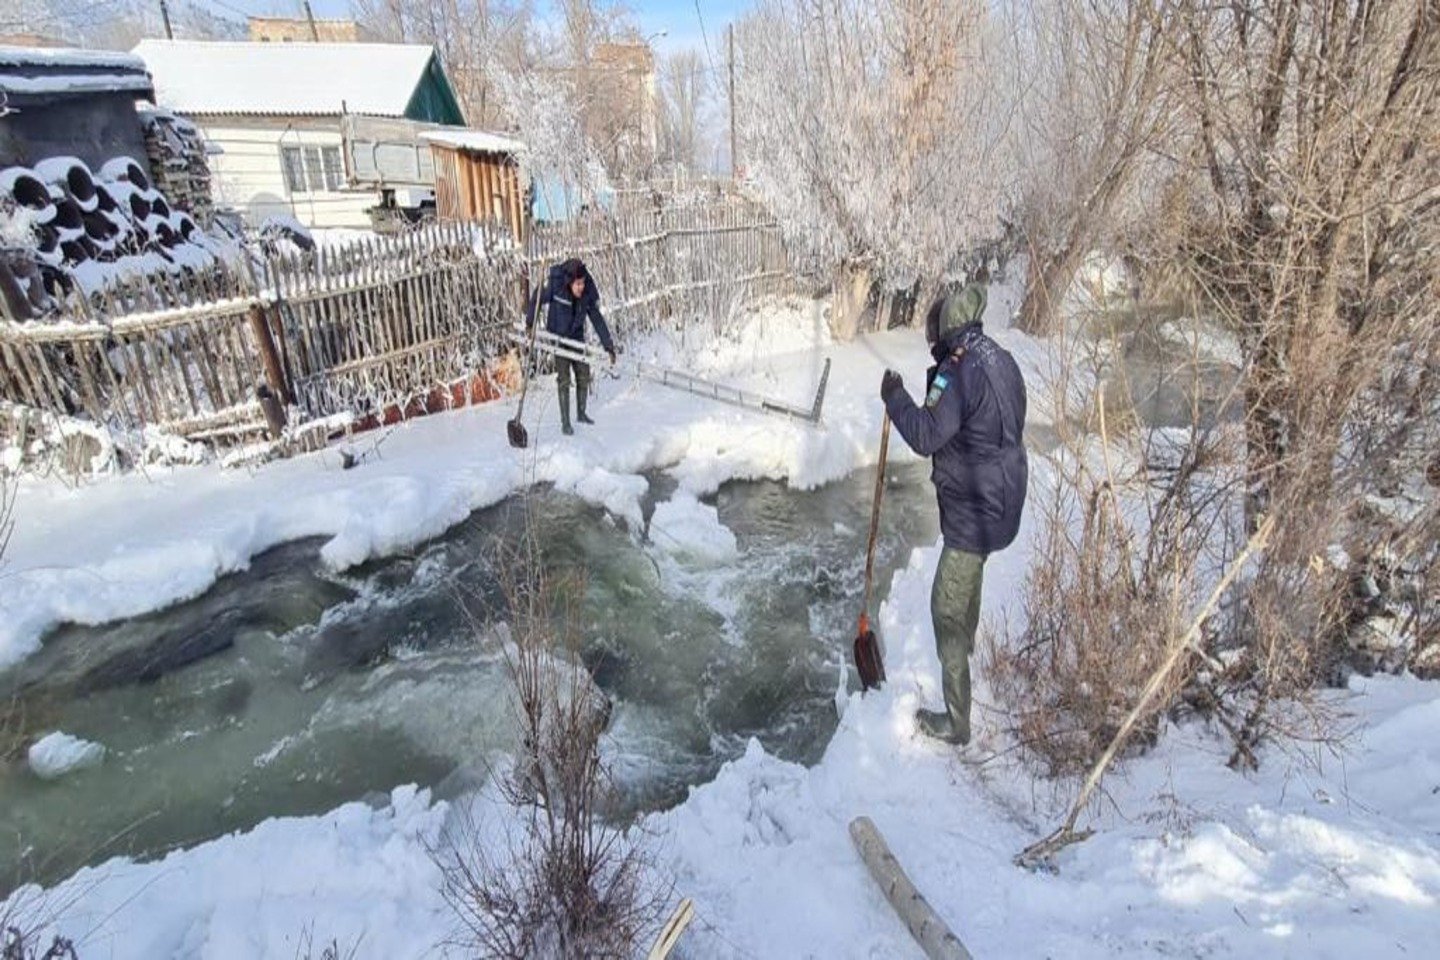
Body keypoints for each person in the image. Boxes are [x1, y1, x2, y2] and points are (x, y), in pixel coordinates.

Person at [879, 278, 1028, 745]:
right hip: (1004, 499)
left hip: (975, 513)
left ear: (944, 333)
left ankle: (957, 720)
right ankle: (964, 658)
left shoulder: (959, 370)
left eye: (932, 343)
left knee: (945, 607)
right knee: (966, 589)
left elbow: (925, 435)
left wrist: (895, 398)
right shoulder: (997, 356)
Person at [531, 258, 616, 435]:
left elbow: (597, 319)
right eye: (577, 284)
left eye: (583, 283)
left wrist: (608, 345)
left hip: (576, 336)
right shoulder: (557, 286)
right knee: (564, 379)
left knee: (583, 373)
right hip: (558, 337)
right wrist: (529, 323)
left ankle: (581, 413)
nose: (581, 287)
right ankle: (565, 423)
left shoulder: (586, 294)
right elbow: (537, 299)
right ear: (570, 283)